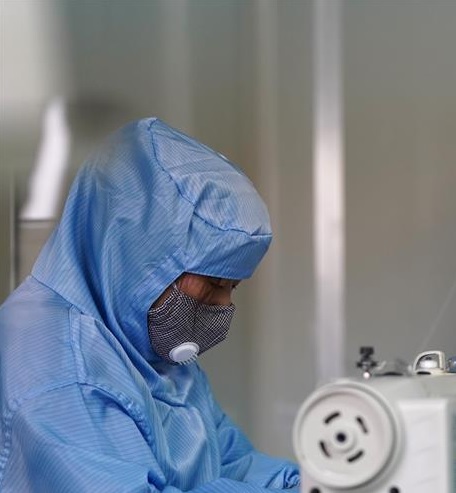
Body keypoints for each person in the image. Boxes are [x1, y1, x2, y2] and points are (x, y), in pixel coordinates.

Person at [0, 118, 300, 491]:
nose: (224, 305)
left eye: (233, 286)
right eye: (215, 283)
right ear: (142, 259)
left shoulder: (149, 353)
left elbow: (234, 462)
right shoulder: (56, 368)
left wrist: (315, 484)